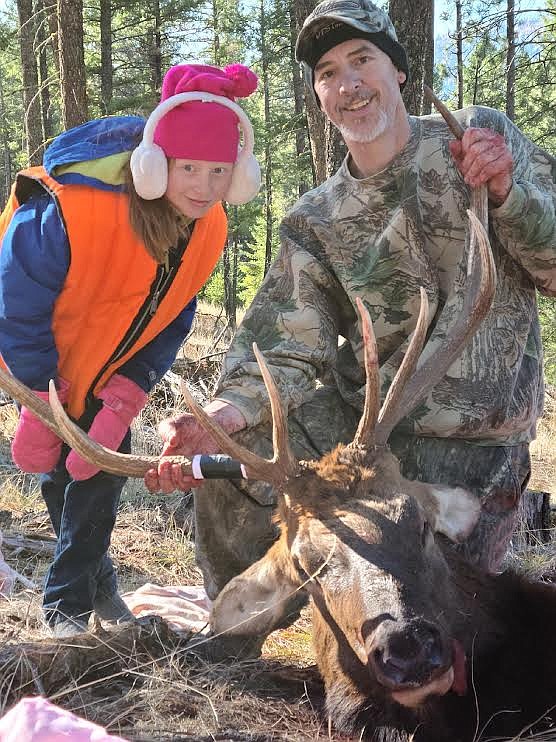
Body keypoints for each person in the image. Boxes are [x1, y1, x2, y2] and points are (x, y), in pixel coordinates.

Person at [146, 0, 556, 607]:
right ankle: (235, 637)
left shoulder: (477, 141)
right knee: (234, 469)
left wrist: (506, 193)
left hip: (468, 442)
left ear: (399, 74)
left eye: (362, 60)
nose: (348, 83)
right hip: (358, 432)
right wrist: (224, 417)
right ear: (319, 97)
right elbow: (285, 342)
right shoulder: (315, 217)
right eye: (329, 72)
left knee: (432, 609)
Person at [0, 61, 259, 637]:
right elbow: (15, 302)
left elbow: (175, 316)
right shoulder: (71, 209)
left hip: (109, 375)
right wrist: (45, 400)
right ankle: (93, 594)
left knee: (98, 478)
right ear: (153, 164)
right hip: (41, 365)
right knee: (61, 478)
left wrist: (126, 396)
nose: (203, 186)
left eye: (219, 171)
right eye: (188, 167)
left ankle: (68, 608)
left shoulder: (208, 226)